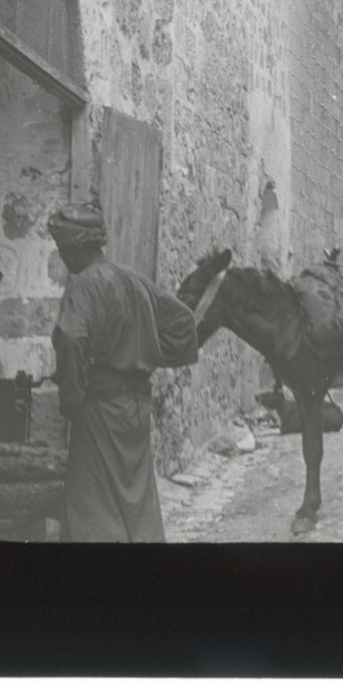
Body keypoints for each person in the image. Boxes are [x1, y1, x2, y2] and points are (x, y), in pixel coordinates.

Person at [48, 200, 199, 542]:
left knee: (94, 504)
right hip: (135, 408)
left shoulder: (83, 284)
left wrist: (71, 398)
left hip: (99, 408)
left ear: (73, 248)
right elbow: (184, 324)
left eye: (61, 249)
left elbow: (71, 339)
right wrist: (147, 356)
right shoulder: (132, 278)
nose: (62, 257)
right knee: (136, 501)